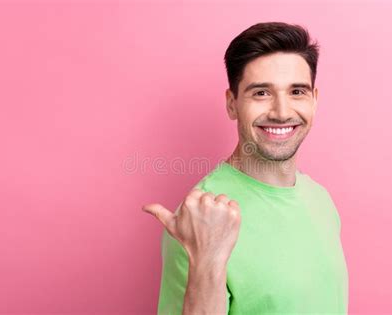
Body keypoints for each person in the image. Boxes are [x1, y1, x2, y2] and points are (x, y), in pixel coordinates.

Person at [142, 21, 349, 315]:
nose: (281, 112)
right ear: (232, 104)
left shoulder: (320, 199)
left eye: (297, 92)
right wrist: (208, 261)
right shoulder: (200, 217)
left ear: (314, 100)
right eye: (261, 93)